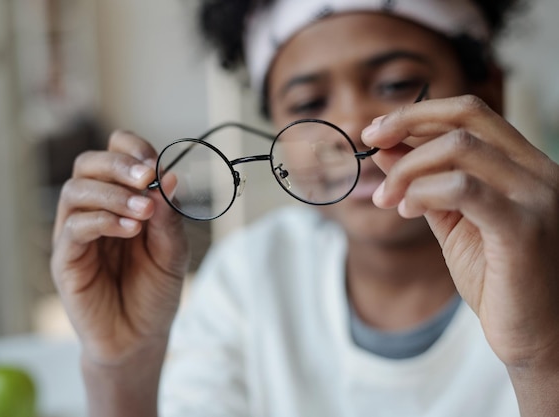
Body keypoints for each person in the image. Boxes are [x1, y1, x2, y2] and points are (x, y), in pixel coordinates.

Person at [50, 0, 559, 416]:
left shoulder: (547, 279)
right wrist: (122, 368)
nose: (352, 126)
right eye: (309, 104)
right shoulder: (247, 283)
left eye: (396, 84)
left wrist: (545, 358)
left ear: (488, 91)